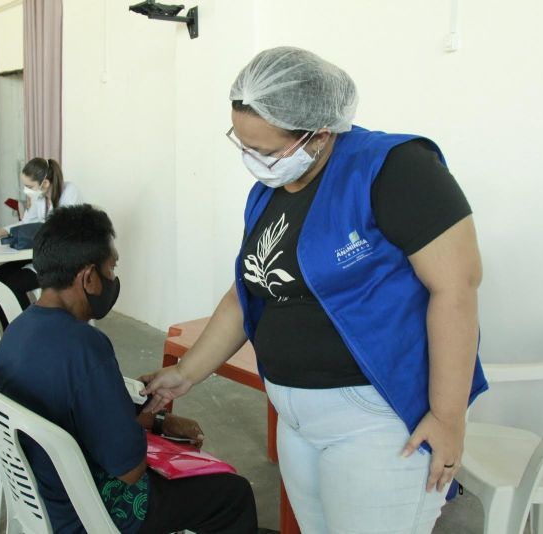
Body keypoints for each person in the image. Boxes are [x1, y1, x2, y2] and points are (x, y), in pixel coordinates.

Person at [142, 47, 489, 533]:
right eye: (243, 145)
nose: (254, 162)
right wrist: (187, 373)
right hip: (296, 418)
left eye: (265, 151)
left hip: (375, 420)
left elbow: (456, 289)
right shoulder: (270, 189)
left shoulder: (393, 168)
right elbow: (250, 291)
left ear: (319, 132)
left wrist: (448, 418)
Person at [0, 205, 259, 534]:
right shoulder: (85, 346)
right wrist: (150, 424)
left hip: (41, 494)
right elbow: (130, 469)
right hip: (91, 509)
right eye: (111, 267)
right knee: (233, 494)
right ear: (89, 278)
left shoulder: (16, 332)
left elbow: (80, 411)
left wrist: (158, 419)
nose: (113, 279)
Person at [0, 158, 81, 316]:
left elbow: (63, 231)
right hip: (39, 253)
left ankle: (27, 331)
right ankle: (9, 333)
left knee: (11, 286)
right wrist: (4, 231)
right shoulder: (41, 196)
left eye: (29, 186)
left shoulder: (69, 192)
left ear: (45, 183)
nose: (26, 191)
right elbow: (28, 222)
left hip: (61, 260)